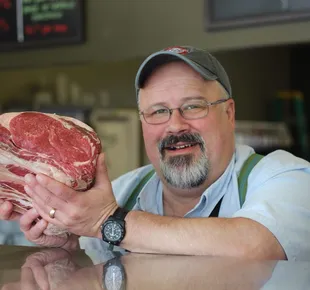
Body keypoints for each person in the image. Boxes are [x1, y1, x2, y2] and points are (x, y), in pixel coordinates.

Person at [1, 46, 310, 260]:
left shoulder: (287, 177)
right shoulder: (124, 192)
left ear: (229, 114)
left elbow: (256, 249)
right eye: (158, 111)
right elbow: (90, 288)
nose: (175, 125)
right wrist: (65, 245)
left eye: (193, 106)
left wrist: (110, 222)